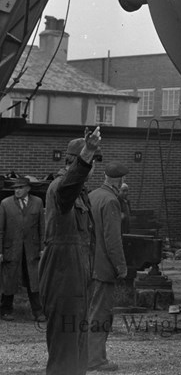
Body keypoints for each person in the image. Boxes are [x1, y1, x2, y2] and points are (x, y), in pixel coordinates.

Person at [39, 127, 101, 375]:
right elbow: (70, 183)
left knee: (77, 340)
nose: (94, 165)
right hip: (62, 272)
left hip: (77, 274)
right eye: (91, 161)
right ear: (75, 162)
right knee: (65, 344)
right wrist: (89, 151)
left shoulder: (80, 193)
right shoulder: (60, 188)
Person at [87, 161, 129, 373]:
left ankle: (84, 355)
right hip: (103, 268)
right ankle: (96, 360)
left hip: (87, 265)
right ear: (120, 180)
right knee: (101, 313)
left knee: (88, 311)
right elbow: (113, 240)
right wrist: (121, 266)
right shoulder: (111, 201)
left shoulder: (93, 195)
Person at [0, 176, 44, 320]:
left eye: (20, 188)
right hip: (11, 248)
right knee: (9, 278)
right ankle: (6, 310)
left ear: (28, 189)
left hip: (31, 249)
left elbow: (41, 228)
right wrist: (0, 251)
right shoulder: (5, 204)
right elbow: (1, 229)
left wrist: (42, 247)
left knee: (34, 279)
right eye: (15, 188)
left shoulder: (37, 203)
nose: (17, 191)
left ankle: (38, 311)